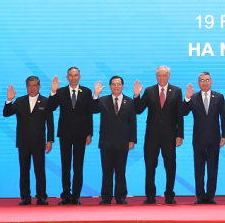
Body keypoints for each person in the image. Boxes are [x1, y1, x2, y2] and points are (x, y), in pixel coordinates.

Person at [133, 65, 184, 204]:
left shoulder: (177, 91)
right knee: (150, 166)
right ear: (156, 76)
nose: (162, 78)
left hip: (170, 136)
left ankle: (169, 195)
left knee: (170, 166)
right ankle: (150, 196)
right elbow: (138, 110)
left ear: (169, 76)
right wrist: (136, 96)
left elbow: (180, 115)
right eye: (159, 75)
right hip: (151, 137)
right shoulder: (149, 91)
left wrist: (180, 135)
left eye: (164, 75)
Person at [3, 76, 53, 206]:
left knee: (39, 170)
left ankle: (41, 197)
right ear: (26, 87)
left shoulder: (46, 101)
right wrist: (9, 100)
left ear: (39, 86)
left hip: (39, 141)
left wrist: (50, 140)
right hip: (23, 141)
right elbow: (6, 113)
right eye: (30, 85)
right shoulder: (19, 101)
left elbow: (50, 123)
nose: (32, 88)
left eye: (35, 85)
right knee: (24, 170)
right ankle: (25, 197)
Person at [180, 71, 225, 204]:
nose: (205, 82)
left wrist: (224, 135)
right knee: (199, 168)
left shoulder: (218, 97)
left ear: (211, 82)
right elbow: (182, 112)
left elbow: (223, 117)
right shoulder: (193, 97)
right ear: (198, 83)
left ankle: (210, 196)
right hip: (198, 138)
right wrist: (187, 98)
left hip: (214, 138)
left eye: (207, 80)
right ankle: (200, 196)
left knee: (213, 168)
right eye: (202, 80)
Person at [48, 67, 93, 205]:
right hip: (65, 133)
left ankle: (76, 196)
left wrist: (89, 133)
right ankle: (66, 195)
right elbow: (51, 107)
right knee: (65, 165)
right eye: (70, 76)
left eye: (76, 75)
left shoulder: (86, 91)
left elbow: (89, 113)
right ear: (67, 77)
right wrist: (53, 92)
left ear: (80, 76)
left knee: (78, 165)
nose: (73, 78)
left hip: (81, 133)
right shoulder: (60, 92)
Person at [91, 76, 137, 205]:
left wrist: (132, 139)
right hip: (106, 141)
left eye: (118, 84)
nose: (116, 87)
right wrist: (95, 95)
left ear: (122, 86)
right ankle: (106, 197)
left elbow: (132, 121)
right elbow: (93, 109)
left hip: (123, 141)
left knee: (120, 171)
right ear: (110, 86)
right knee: (107, 171)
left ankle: (121, 197)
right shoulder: (103, 100)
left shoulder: (130, 101)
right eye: (113, 84)